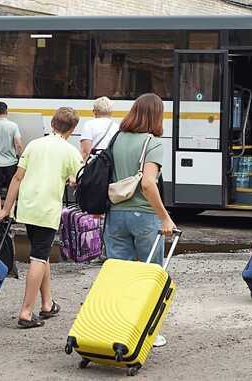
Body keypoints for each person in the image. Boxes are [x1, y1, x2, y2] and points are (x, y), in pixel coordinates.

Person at [0, 107, 83, 329]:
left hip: (27, 208)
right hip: (47, 210)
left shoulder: (34, 144)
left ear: (52, 124)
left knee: (41, 254)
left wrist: (6, 209)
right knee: (37, 258)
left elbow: (17, 178)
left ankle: (47, 304)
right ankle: (26, 312)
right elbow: (78, 180)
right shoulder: (70, 151)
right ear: (72, 129)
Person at [104, 93, 176, 348]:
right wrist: (165, 217)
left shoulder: (117, 139)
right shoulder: (152, 143)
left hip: (115, 215)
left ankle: (117, 328)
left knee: (118, 276)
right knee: (149, 276)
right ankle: (148, 333)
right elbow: (147, 183)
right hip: (144, 217)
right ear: (156, 115)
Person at [79, 96, 118, 160]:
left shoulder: (89, 125)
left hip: (94, 165)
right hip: (110, 164)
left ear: (95, 111)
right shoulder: (117, 127)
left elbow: (85, 151)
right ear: (111, 111)